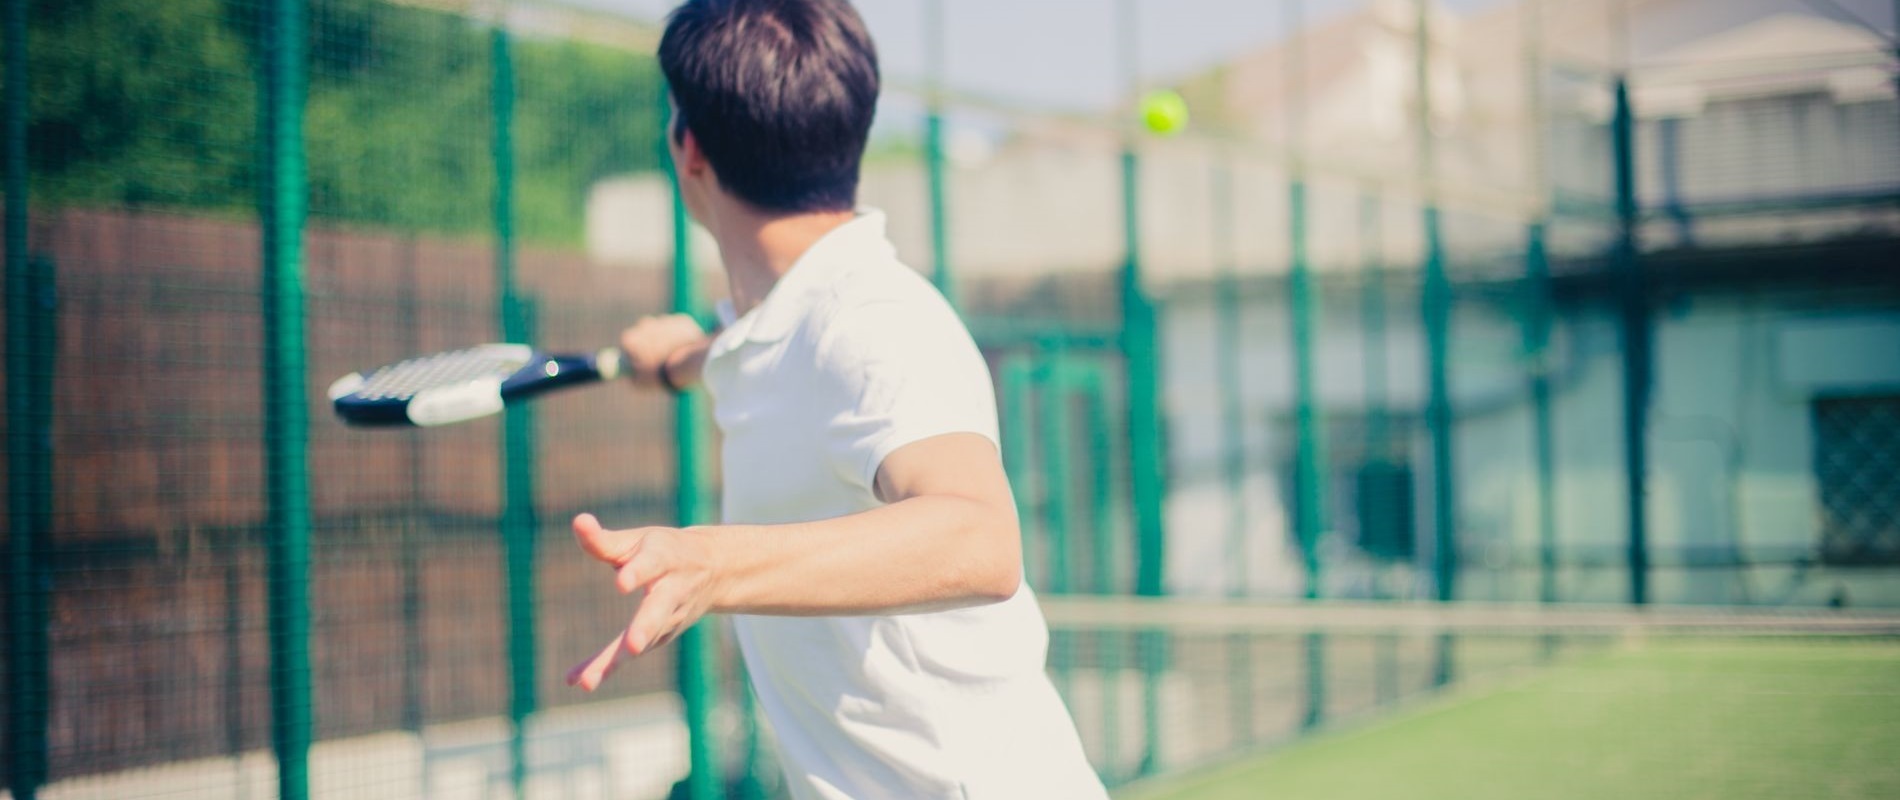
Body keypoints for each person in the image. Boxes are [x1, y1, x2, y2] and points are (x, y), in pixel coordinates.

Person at [566, 0, 1108, 797]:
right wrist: (676, 360)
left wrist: (718, 562)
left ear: (690, 149)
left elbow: (979, 538)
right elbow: (756, 347)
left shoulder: (873, 321)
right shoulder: (780, 324)